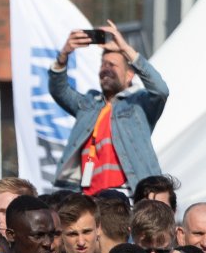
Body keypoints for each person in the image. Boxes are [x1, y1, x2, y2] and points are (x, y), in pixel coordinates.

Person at [50, 22, 169, 194]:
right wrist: (64, 55)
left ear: (129, 75)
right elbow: (59, 90)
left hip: (129, 196)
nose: (106, 69)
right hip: (90, 200)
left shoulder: (139, 104)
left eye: (113, 65)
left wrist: (125, 48)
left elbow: (161, 90)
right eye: (103, 64)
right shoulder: (88, 105)